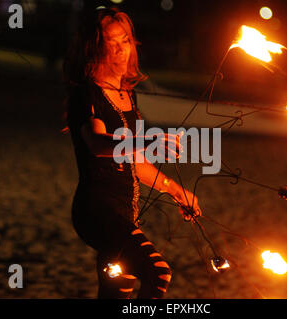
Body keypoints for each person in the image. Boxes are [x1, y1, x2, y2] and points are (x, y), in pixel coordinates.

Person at [63, 7, 201, 299]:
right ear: (94, 48)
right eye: (110, 43)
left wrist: (176, 190)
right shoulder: (87, 94)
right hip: (97, 211)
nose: (120, 50)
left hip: (127, 213)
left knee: (115, 295)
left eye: (124, 41)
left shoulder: (128, 94)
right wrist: (148, 142)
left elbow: (136, 163)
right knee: (158, 271)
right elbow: (98, 145)